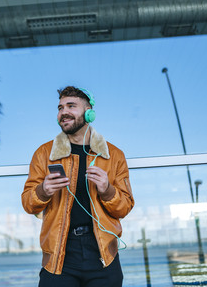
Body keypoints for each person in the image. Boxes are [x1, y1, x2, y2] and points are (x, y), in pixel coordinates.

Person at [21, 86, 135, 287]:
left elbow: (124, 207)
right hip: (58, 255)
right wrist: (43, 191)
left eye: (71, 106)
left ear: (89, 113)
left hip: (103, 255)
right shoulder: (43, 153)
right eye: (60, 107)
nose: (63, 112)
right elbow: (28, 204)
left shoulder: (114, 155)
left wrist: (107, 190)